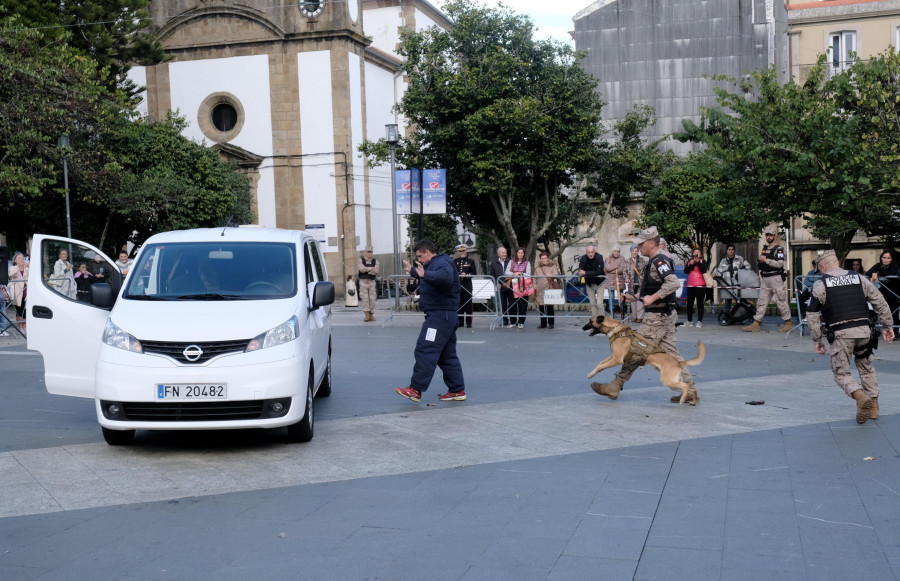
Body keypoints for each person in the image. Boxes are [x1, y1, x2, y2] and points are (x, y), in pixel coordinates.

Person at [592, 226, 696, 403]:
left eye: (640, 244)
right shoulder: (655, 261)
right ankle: (691, 390)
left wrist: (653, 298)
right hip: (665, 314)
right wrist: (635, 297)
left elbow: (672, 283)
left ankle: (616, 384)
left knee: (634, 350)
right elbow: (655, 287)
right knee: (673, 354)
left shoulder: (659, 261)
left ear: (650, 243)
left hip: (657, 317)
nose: (638, 248)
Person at [807, 250, 895, 424]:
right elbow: (879, 300)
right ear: (837, 261)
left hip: (842, 334)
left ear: (823, 266)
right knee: (866, 366)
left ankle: (860, 396)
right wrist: (887, 326)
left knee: (841, 372)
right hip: (864, 331)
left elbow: (812, 315)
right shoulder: (859, 277)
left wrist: (817, 339)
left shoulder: (820, 284)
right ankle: (874, 408)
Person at [395, 239, 466, 403]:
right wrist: (414, 272)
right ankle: (457, 390)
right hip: (445, 316)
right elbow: (432, 275)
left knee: (425, 349)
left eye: (420, 256)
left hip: (439, 317)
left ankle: (415, 389)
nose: (419, 260)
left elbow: (444, 278)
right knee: (446, 356)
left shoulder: (442, 263)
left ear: (428, 252)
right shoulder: (438, 263)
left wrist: (424, 274)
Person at [744, 227, 793, 333]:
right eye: (767, 235)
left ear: (774, 236)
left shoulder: (779, 249)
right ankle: (756, 323)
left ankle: (788, 322)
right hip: (765, 277)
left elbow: (779, 264)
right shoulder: (764, 248)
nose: (768, 237)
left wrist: (766, 260)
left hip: (775, 277)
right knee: (762, 300)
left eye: (770, 235)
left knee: (781, 300)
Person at [866, 250, 900, 328]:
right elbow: (868, 273)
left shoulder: (896, 265)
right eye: (884, 257)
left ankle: (895, 331)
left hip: (895, 291)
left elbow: (892, 273)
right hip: (884, 289)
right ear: (881, 258)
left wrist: (877, 274)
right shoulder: (879, 265)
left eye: (888, 258)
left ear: (892, 259)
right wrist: (875, 274)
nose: (885, 259)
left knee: (893, 310)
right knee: (874, 299)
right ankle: (873, 318)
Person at [715, 244, 752, 313]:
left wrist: (741, 272)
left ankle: (740, 316)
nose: (731, 251)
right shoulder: (723, 261)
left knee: (740, 301)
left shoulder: (740, 259)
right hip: (727, 284)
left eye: (732, 249)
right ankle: (726, 317)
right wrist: (715, 275)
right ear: (727, 251)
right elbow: (719, 272)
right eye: (729, 250)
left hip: (738, 284)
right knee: (727, 301)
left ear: (734, 251)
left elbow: (748, 267)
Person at [505, 248, 532, 329]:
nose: (520, 254)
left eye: (522, 253)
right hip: (513, 285)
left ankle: (521, 322)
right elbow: (506, 272)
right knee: (512, 304)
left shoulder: (527, 263)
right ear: (516, 253)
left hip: (523, 285)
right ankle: (513, 321)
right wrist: (514, 273)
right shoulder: (511, 261)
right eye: (519, 253)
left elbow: (528, 274)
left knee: (522, 304)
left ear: (524, 254)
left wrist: (520, 274)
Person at [683, 248, 710, 328]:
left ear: (700, 255)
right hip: (690, 285)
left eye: (698, 252)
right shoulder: (689, 261)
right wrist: (691, 264)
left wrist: (698, 262)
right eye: (694, 252)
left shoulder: (702, 261)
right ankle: (689, 321)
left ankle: (699, 321)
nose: (696, 254)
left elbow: (704, 270)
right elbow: (686, 271)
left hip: (700, 285)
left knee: (700, 303)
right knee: (689, 304)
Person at [533, 251, 561, 329]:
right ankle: (543, 323)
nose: (544, 260)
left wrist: (551, 275)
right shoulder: (537, 267)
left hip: (549, 288)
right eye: (542, 258)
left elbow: (556, 274)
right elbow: (534, 277)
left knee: (550, 307)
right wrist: (534, 284)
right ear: (540, 259)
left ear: (548, 258)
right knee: (541, 307)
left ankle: (551, 323)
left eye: (545, 258)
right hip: (539, 289)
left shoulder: (553, 266)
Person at [453, 244, 477, 328]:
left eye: (463, 250)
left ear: (466, 251)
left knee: (468, 304)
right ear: (458, 252)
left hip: (467, 285)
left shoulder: (470, 261)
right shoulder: (455, 261)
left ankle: (469, 322)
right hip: (458, 285)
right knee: (459, 304)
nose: (462, 252)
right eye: (460, 251)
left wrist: (466, 274)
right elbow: (453, 273)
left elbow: (474, 273)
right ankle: (460, 321)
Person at [577, 245, 605, 317]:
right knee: (592, 303)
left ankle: (602, 321)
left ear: (594, 252)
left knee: (599, 303)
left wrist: (585, 273)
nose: (590, 254)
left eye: (592, 252)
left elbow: (598, 271)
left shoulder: (599, 257)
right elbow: (581, 268)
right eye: (589, 252)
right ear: (586, 252)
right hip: (589, 282)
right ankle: (595, 322)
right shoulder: (583, 258)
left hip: (600, 282)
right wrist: (580, 271)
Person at [488, 247, 513, 326]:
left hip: (510, 286)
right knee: (503, 304)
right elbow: (491, 274)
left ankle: (513, 320)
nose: (504, 254)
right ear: (498, 254)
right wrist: (497, 282)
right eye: (503, 253)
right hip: (501, 287)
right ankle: (504, 320)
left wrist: (508, 281)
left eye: (505, 252)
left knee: (512, 304)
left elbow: (513, 272)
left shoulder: (510, 262)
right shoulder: (494, 263)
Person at [625, 244, 646, 322]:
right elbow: (625, 271)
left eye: (636, 251)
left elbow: (645, 271)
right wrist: (627, 278)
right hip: (631, 283)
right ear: (630, 251)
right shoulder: (627, 261)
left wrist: (643, 279)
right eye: (633, 251)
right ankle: (634, 316)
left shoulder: (642, 260)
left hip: (640, 283)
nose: (635, 252)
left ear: (638, 252)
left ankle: (640, 317)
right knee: (632, 300)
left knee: (640, 300)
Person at [8, 252, 28, 334]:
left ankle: (25, 326)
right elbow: (10, 275)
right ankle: (20, 327)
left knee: (25, 311)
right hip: (17, 292)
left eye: (22, 258)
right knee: (19, 311)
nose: (21, 259)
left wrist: (28, 266)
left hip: (26, 291)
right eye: (18, 258)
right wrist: (18, 267)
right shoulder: (13, 268)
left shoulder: (27, 268)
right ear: (15, 260)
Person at [358, 245, 379, 322]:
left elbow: (376, 271)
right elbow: (361, 269)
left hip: (371, 282)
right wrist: (370, 268)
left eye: (371, 252)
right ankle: (366, 314)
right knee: (365, 298)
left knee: (372, 298)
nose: (369, 254)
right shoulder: (361, 260)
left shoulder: (375, 261)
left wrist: (367, 270)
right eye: (368, 252)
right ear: (365, 252)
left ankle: (371, 314)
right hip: (363, 281)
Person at [604, 245, 626, 316]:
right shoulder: (608, 258)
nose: (616, 253)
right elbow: (606, 268)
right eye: (615, 251)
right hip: (610, 280)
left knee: (621, 297)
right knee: (611, 297)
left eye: (618, 252)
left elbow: (621, 270)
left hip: (620, 280)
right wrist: (615, 267)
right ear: (612, 252)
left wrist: (610, 270)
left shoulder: (622, 259)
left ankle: (622, 312)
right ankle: (611, 313)